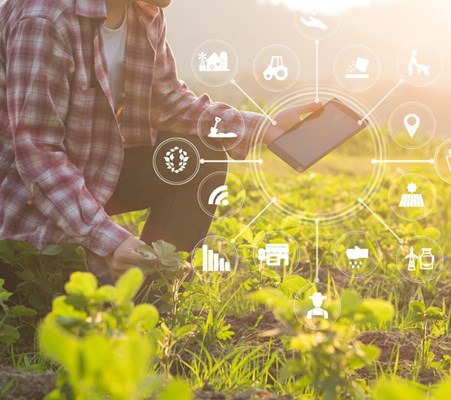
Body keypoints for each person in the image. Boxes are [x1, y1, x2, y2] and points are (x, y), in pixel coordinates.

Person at [0, 0, 319, 288]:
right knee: (45, 298)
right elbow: (37, 152)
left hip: (93, 177)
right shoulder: (44, 17)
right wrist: (108, 241)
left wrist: (266, 128)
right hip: (24, 206)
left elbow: (165, 100)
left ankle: (152, 291)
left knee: (200, 155)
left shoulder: (143, 11)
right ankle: (106, 268)